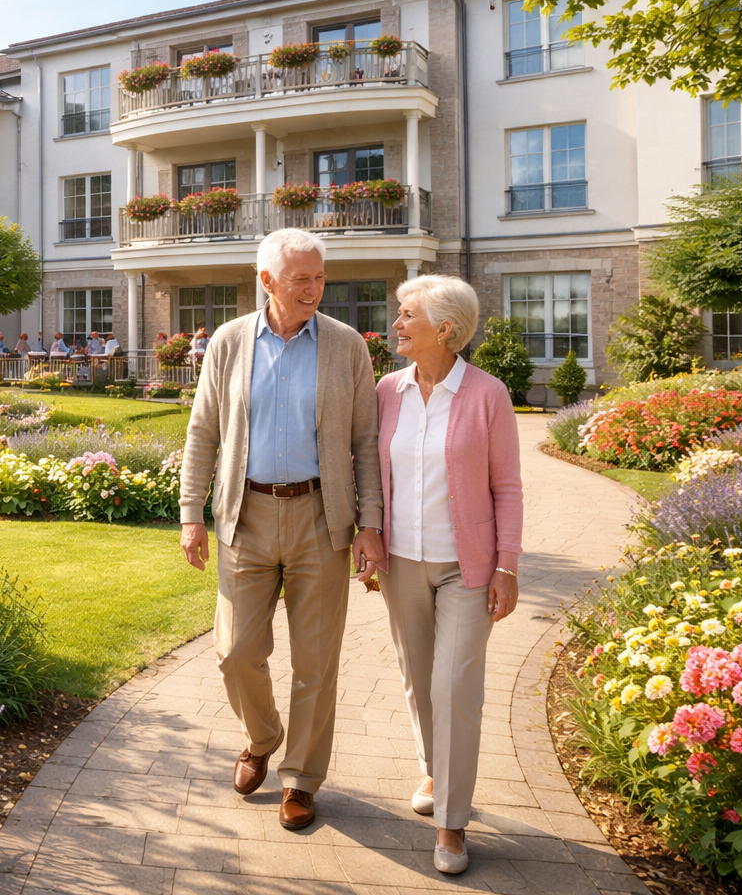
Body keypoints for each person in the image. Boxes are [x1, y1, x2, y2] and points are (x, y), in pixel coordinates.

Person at [178, 228, 383, 833]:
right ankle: (263, 737)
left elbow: (365, 442)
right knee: (236, 650)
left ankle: (300, 778)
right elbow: (203, 433)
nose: (315, 290)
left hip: (323, 518)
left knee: (316, 661)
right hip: (248, 514)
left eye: (321, 278)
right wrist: (193, 513)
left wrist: (368, 522)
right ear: (266, 280)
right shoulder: (230, 341)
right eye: (302, 279)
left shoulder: (347, 346)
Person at [370, 275, 523, 875]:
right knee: (417, 677)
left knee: (453, 685)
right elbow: (371, 471)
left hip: (469, 568)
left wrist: (506, 565)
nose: (397, 324)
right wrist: (370, 536)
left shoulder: (488, 395)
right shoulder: (387, 390)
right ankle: (436, 769)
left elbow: (506, 487)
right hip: (402, 561)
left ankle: (451, 824)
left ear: (446, 329)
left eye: (408, 315)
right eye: (399, 313)